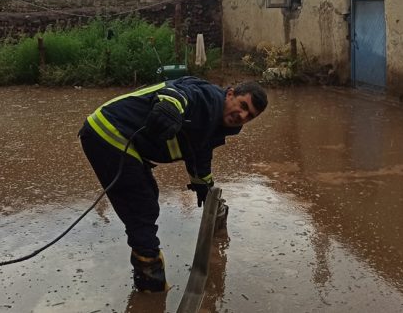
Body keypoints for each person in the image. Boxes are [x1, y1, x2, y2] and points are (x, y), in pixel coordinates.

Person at [78, 76, 267, 292]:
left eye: (249, 116)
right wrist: (169, 107)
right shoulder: (209, 99)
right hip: (109, 134)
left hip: (122, 141)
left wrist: (206, 189)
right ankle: (151, 283)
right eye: (243, 105)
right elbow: (179, 92)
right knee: (142, 208)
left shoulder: (217, 124)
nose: (242, 115)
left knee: (148, 196)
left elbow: (200, 156)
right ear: (230, 93)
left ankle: (149, 278)